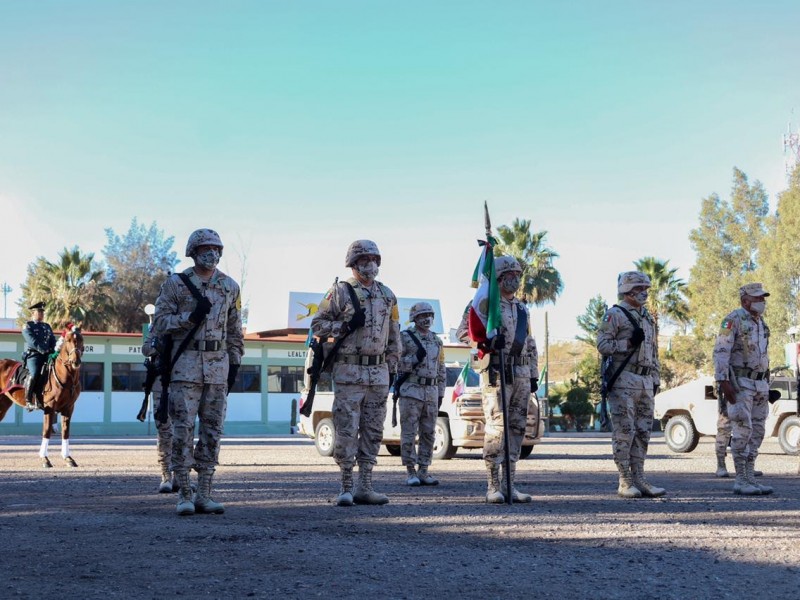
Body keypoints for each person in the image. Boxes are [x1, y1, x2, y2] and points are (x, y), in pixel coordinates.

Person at [152, 229, 244, 516]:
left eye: (216, 248)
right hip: (185, 366)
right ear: (193, 251)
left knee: (213, 430)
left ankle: (205, 492)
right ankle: (184, 494)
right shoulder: (176, 285)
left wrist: (235, 359)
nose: (212, 253)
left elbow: (234, 328)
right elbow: (160, 323)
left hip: (218, 367)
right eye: (205, 247)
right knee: (182, 430)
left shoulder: (230, 286)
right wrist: (187, 318)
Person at [310, 240, 401, 506]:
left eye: (373, 259)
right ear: (353, 263)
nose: (369, 264)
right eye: (363, 260)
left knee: (373, 430)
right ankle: (346, 485)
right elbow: (318, 324)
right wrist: (345, 325)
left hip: (378, 372)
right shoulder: (340, 291)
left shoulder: (387, 295)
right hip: (349, 371)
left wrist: (393, 362)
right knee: (347, 429)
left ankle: (366, 486)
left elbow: (394, 333)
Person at [458, 256, 538, 504]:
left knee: (516, 430)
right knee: (497, 428)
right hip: (496, 372)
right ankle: (493, 486)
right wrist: (485, 343)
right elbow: (464, 333)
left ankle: (510, 485)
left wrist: (534, 374)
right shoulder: (485, 304)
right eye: (509, 274)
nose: (515, 279)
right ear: (499, 278)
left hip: (522, 375)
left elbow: (531, 344)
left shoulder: (522, 308)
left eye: (517, 274)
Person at [597, 271, 664, 499]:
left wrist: (655, 378)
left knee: (643, 432)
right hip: (624, 379)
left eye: (646, 287)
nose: (644, 292)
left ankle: (640, 478)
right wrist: (627, 343)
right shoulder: (615, 314)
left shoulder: (647, 316)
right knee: (625, 431)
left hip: (645, 381)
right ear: (627, 290)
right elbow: (603, 345)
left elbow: (653, 351)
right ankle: (625, 480)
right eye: (638, 287)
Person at [713, 283, 773, 496]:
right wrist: (723, 382)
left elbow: (764, 355)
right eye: (757, 298)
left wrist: (768, 380)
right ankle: (740, 479)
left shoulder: (760, 323)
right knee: (742, 430)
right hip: (740, 384)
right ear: (745, 300)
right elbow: (721, 352)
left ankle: (750, 477)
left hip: (760, 384)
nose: (762, 302)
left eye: (763, 298)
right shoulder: (733, 320)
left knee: (757, 431)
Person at [397, 301, 446, 486]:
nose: (426, 319)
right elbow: (395, 363)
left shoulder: (437, 340)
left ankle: (424, 470)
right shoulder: (405, 338)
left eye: (429, 315)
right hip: (411, 391)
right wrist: (412, 359)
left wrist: (440, 393)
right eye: (422, 316)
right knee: (409, 433)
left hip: (431, 392)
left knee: (429, 433)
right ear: (414, 318)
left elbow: (441, 368)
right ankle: (410, 471)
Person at [21, 301, 57, 411]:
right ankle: (28, 401)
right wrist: (43, 350)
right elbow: (32, 341)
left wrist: (53, 350)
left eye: (42, 312)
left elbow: (52, 340)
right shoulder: (28, 325)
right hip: (34, 355)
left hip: (47, 355)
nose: (41, 314)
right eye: (39, 312)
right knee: (35, 373)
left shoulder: (47, 326)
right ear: (33, 313)